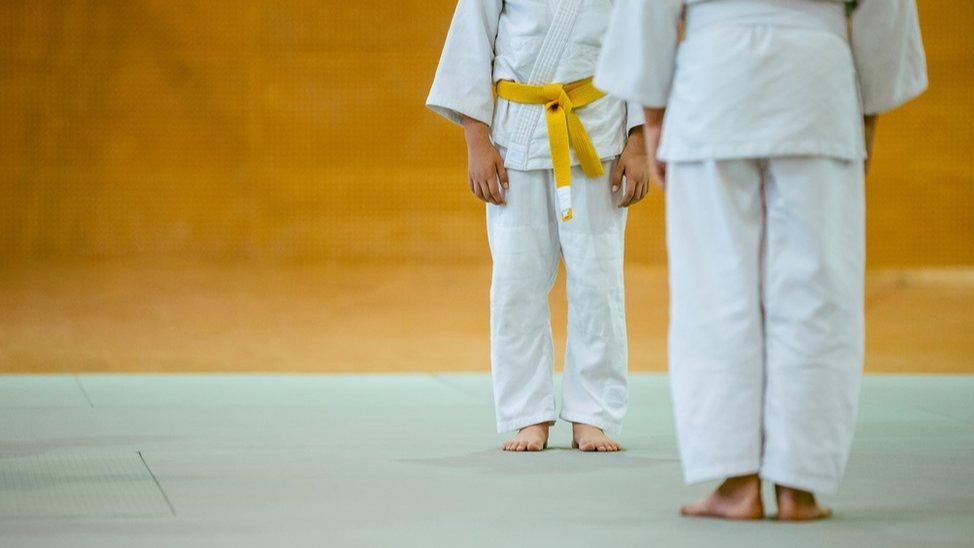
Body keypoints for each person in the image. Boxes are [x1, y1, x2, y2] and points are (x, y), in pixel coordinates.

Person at [595, 0, 927, 519]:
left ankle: (736, 483)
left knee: (716, 290)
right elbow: (886, 13)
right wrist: (864, 119)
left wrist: (656, 121)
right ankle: (801, 485)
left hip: (715, 83)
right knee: (818, 292)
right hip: (818, 86)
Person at [427, 0, 649, 452]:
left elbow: (641, 44)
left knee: (598, 282)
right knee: (515, 282)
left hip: (597, 137)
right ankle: (528, 413)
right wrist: (476, 140)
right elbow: (470, 44)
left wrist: (639, 140)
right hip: (516, 137)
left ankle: (592, 414)